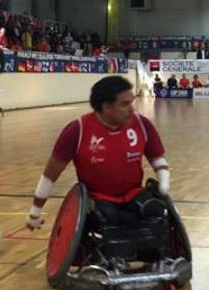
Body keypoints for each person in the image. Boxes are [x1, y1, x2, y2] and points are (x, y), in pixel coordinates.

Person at [25, 76, 170, 232]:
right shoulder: (77, 130)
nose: (132, 109)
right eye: (124, 104)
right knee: (110, 219)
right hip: (98, 198)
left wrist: (164, 181)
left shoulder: (142, 124)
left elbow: (157, 159)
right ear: (106, 106)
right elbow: (50, 175)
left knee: (156, 211)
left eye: (131, 102)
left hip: (133, 193)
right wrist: (35, 213)